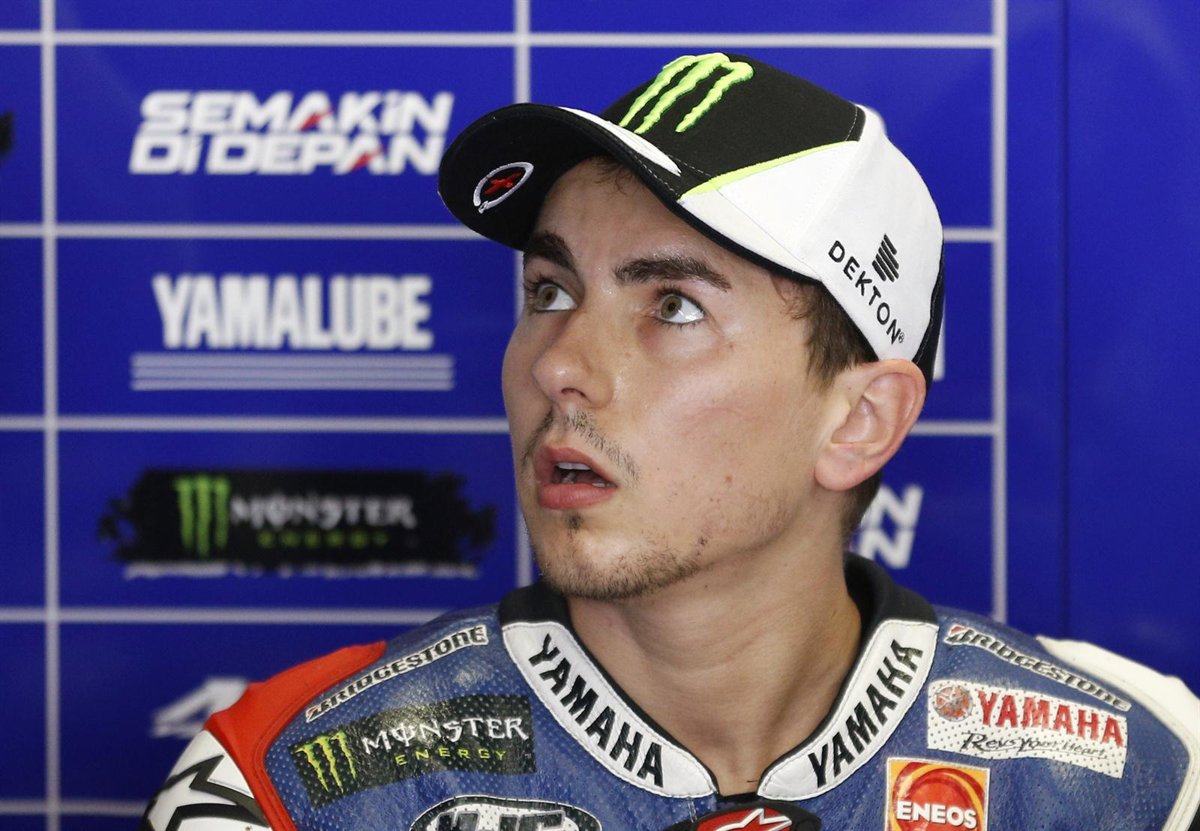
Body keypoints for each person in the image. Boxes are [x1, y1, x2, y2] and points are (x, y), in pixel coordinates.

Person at [140, 52, 1200, 831]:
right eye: (550, 290)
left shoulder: (1141, 774)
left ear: (859, 419)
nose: (560, 364)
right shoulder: (282, 784)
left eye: (674, 307)